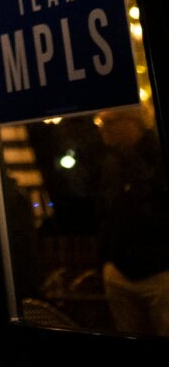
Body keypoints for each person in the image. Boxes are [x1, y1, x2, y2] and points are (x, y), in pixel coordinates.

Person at [95, 105, 169, 336]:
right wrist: (107, 261)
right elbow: (106, 211)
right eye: (100, 123)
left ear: (132, 122)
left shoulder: (158, 157)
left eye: (109, 122)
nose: (102, 129)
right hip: (119, 271)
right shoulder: (112, 162)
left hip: (159, 271)